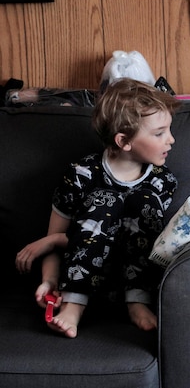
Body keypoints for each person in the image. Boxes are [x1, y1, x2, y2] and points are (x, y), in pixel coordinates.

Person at [15, 79, 180, 338]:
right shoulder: (81, 174)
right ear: (124, 140)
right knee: (107, 201)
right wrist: (49, 279)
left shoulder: (163, 181)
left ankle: (137, 302)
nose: (171, 140)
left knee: (144, 200)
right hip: (82, 281)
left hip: (134, 282)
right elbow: (52, 236)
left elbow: (146, 242)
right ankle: (73, 306)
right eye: (160, 133)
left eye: (169, 129)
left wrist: (58, 240)